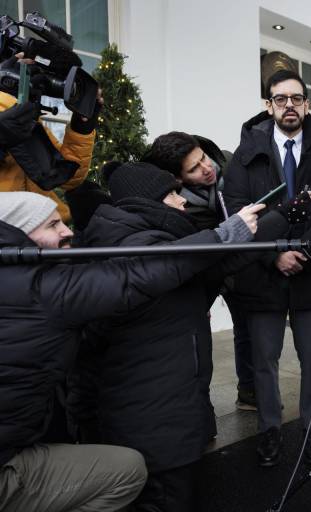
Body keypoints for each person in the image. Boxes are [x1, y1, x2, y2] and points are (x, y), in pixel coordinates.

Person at [0, 191, 248, 511]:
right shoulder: (41, 287)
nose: (68, 232)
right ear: (20, 234)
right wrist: (227, 233)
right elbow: (136, 277)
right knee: (125, 472)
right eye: (53, 225)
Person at [74, 162, 262, 511]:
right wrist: (224, 235)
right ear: (150, 201)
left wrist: (264, 229)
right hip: (153, 421)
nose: (182, 202)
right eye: (173, 194)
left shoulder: (153, 238)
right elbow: (168, 265)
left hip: (164, 408)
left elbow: (201, 269)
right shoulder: (135, 246)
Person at [224, 69, 311, 467]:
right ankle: (269, 429)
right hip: (262, 272)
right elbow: (238, 213)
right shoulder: (244, 157)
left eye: (297, 98)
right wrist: (274, 255)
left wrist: (305, 249)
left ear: (306, 104)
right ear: (267, 105)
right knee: (264, 359)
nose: (289, 105)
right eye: (280, 98)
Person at [143, 131, 258, 412]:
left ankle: (250, 391)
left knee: (247, 329)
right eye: (194, 168)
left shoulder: (230, 165)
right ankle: (199, 407)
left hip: (245, 265)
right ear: (177, 180)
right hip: (208, 269)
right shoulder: (175, 204)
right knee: (198, 341)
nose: (207, 168)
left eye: (203, 158)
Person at [0, 88, 97, 224]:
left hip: (45, 228)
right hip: (9, 230)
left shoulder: (9, 103)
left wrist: (82, 126)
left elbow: (67, 177)